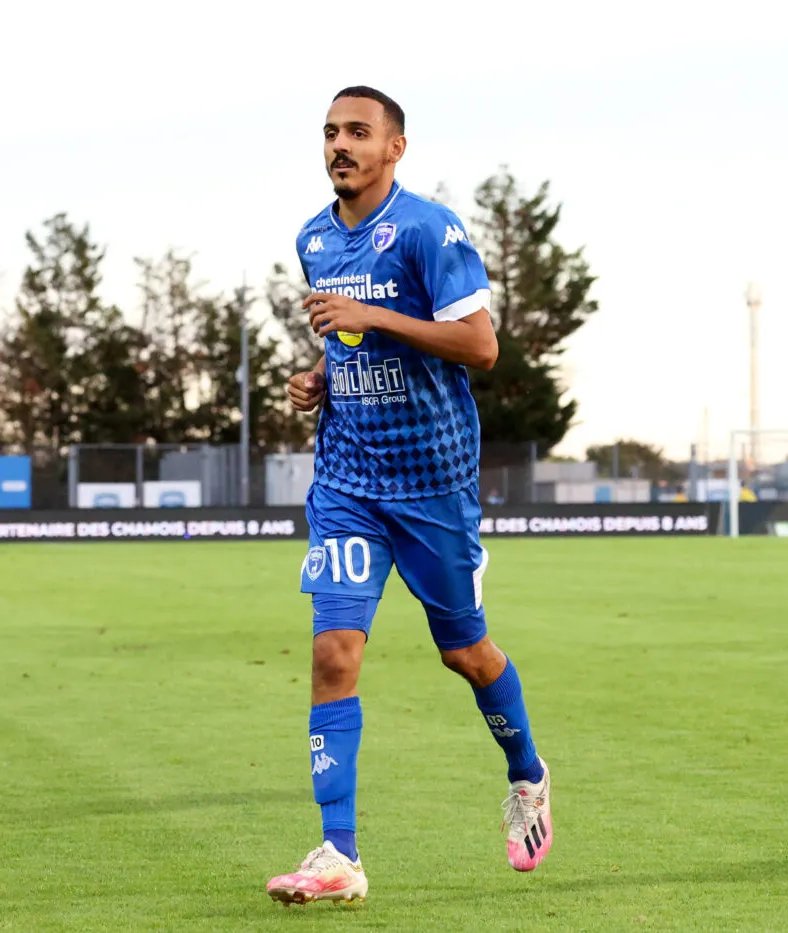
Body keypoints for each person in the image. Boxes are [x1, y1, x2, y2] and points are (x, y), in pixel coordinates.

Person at [265, 87, 552, 906]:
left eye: (359, 132)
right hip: (349, 481)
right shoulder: (314, 236)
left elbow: (479, 344)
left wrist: (371, 316)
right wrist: (323, 376)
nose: (340, 145)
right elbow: (351, 336)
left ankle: (527, 773)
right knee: (333, 652)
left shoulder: (430, 229)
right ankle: (338, 853)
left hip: (433, 484)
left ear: (396, 147)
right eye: (330, 133)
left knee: (465, 651)